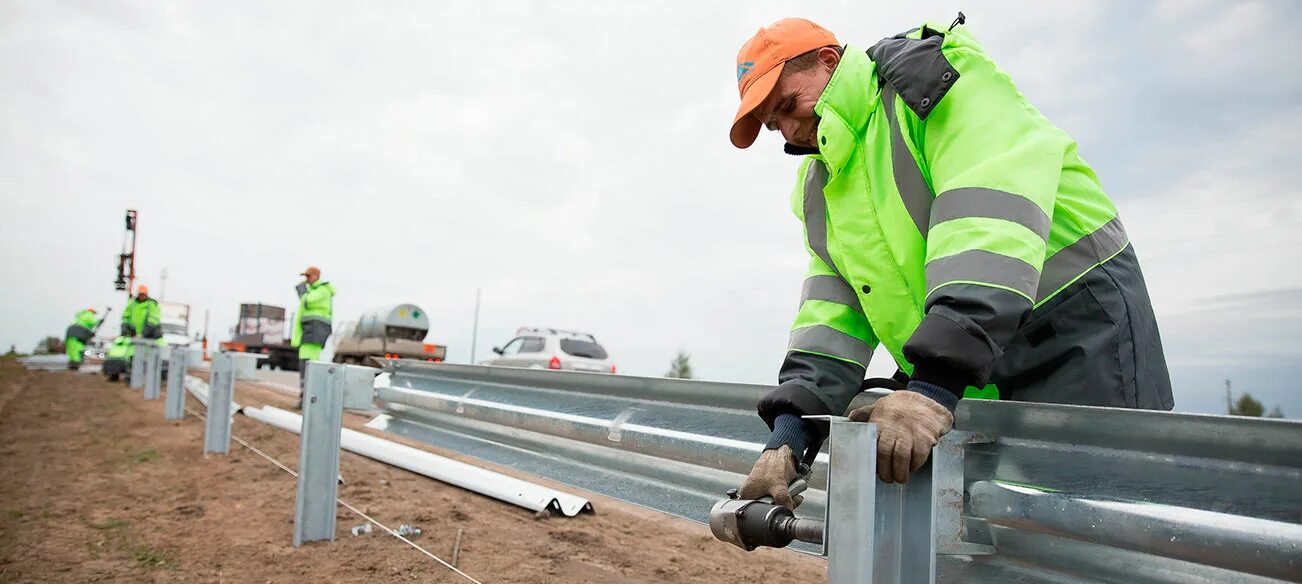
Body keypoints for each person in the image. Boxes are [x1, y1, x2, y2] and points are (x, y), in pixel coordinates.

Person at [729, 16, 1173, 507]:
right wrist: (793, 431)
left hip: (1076, 331)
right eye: (775, 124)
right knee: (1003, 533)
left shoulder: (931, 82)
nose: (791, 130)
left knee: (1098, 526)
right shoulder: (821, 184)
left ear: (829, 62)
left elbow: (987, 222)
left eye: (789, 105)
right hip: (975, 357)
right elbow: (832, 314)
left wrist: (933, 386)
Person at [291, 266, 336, 408]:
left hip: (315, 332)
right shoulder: (315, 291)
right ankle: (305, 399)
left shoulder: (323, 290)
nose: (307, 280)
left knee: (309, 368)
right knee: (305, 367)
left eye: (309, 277)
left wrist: (302, 291)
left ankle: (308, 400)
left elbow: (308, 301)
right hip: (309, 332)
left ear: (317, 276)